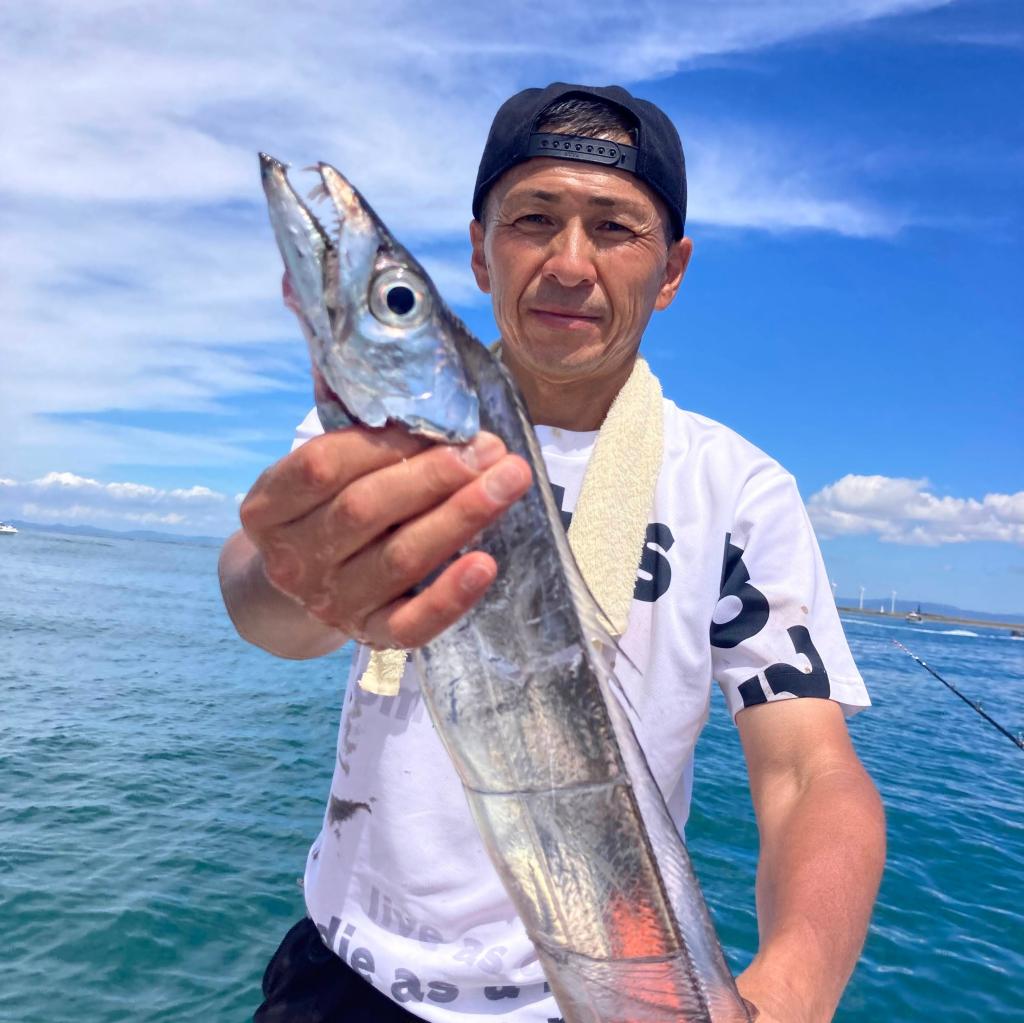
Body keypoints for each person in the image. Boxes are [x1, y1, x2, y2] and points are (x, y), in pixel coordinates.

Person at [220, 82, 886, 1023]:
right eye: (534, 219)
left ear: (672, 270)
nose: (571, 264)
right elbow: (267, 610)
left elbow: (808, 768)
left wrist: (789, 993)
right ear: (480, 251)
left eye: (615, 228)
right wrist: (293, 574)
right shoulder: (380, 440)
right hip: (346, 978)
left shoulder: (737, 490)